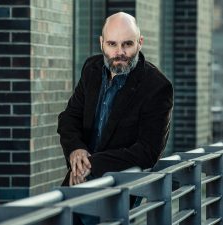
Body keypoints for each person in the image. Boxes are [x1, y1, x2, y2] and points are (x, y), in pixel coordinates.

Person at [57, 12, 173, 187]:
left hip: (121, 187)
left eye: (127, 44)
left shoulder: (157, 86)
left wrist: (91, 165)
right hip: (79, 179)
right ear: (101, 43)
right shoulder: (91, 69)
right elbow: (69, 117)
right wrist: (75, 149)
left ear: (140, 43)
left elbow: (147, 151)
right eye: (112, 44)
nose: (120, 53)